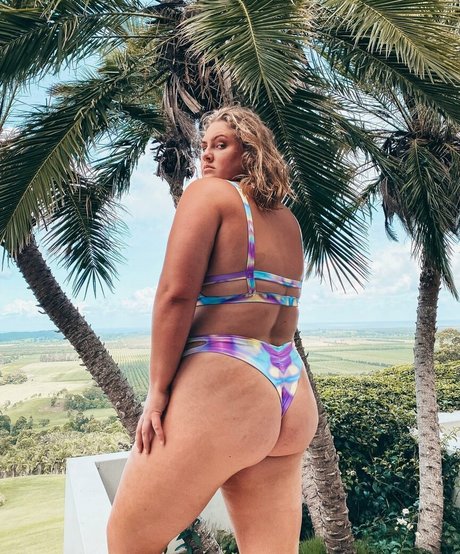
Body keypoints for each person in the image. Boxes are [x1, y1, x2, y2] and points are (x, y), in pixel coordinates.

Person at [107, 106, 319, 554]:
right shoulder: (288, 220)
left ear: (251, 153)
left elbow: (175, 296)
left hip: (230, 379)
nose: (205, 156)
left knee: (128, 542)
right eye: (203, 146)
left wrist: (158, 392)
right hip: (291, 387)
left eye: (220, 145)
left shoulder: (209, 195)